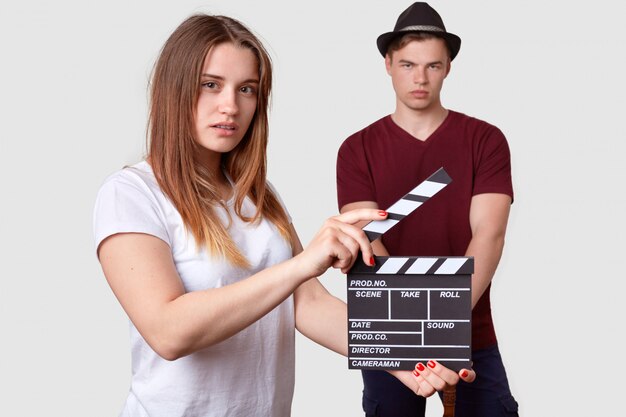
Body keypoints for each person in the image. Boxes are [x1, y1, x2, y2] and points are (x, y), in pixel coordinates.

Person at [93, 13, 474, 417]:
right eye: (210, 85)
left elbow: (306, 302)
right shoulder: (131, 194)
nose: (230, 106)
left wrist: (407, 353)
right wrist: (302, 264)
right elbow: (168, 331)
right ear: (174, 88)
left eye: (247, 89)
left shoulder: (258, 196)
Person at [336, 3, 519, 417]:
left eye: (433, 65)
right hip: (391, 330)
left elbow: (488, 235)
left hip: (472, 329)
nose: (419, 78)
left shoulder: (486, 140)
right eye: (407, 64)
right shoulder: (356, 149)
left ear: (448, 67)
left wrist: (446, 321)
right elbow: (369, 241)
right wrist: (417, 328)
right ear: (387, 64)